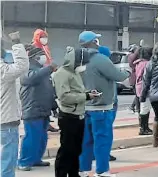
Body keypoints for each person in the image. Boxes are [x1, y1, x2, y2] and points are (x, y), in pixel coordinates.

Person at [78, 31, 129, 177]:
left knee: (85, 140)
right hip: (101, 107)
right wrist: (128, 73)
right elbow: (117, 75)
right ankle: (102, 170)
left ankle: (83, 169)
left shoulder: (78, 60)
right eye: (96, 40)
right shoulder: (100, 59)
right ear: (94, 42)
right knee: (102, 140)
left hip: (83, 105)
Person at [53, 47, 99, 177]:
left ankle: (73, 173)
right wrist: (86, 97)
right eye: (82, 63)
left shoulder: (75, 72)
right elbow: (64, 96)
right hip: (68, 116)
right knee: (66, 149)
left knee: (76, 149)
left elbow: (76, 91)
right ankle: (61, 174)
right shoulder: (62, 74)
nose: (83, 66)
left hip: (79, 115)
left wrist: (87, 94)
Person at [17, 41, 58, 171]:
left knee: (41, 137)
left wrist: (53, 106)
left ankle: (35, 159)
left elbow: (49, 90)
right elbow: (27, 79)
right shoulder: (27, 69)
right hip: (32, 109)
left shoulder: (42, 71)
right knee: (32, 137)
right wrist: (49, 68)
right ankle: (24, 161)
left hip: (43, 110)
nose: (43, 58)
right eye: (41, 55)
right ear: (35, 57)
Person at [1, 32, 30, 177]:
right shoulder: (3, 70)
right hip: (6, 121)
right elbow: (22, 66)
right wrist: (17, 44)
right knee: (8, 159)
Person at [97, 46, 120, 162]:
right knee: (105, 132)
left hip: (96, 104)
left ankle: (94, 153)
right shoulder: (106, 68)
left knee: (95, 132)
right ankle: (104, 154)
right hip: (107, 104)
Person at [134, 47, 154, 135]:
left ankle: (145, 127)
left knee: (144, 108)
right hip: (144, 87)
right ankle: (143, 128)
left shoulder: (139, 63)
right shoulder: (147, 64)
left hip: (138, 86)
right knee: (145, 109)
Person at [127, 45, 141, 114]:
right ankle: (137, 109)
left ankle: (132, 107)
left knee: (137, 94)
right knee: (138, 95)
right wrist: (138, 49)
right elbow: (134, 56)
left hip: (136, 77)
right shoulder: (131, 56)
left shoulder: (135, 57)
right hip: (134, 77)